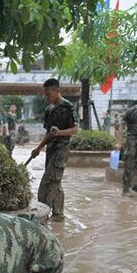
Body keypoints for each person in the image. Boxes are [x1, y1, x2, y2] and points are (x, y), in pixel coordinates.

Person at [30, 78, 79, 221]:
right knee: (55, 181)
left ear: (57, 91)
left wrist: (59, 133)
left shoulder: (68, 106)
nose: (46, 97)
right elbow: (48, 133)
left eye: (48, 94)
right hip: (50, 150)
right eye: (44, 95)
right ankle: (57, 215)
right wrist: (38, 148)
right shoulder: (48, 110)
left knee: (48, 181)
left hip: (62, 149)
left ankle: (45, 212)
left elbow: (75, 130)